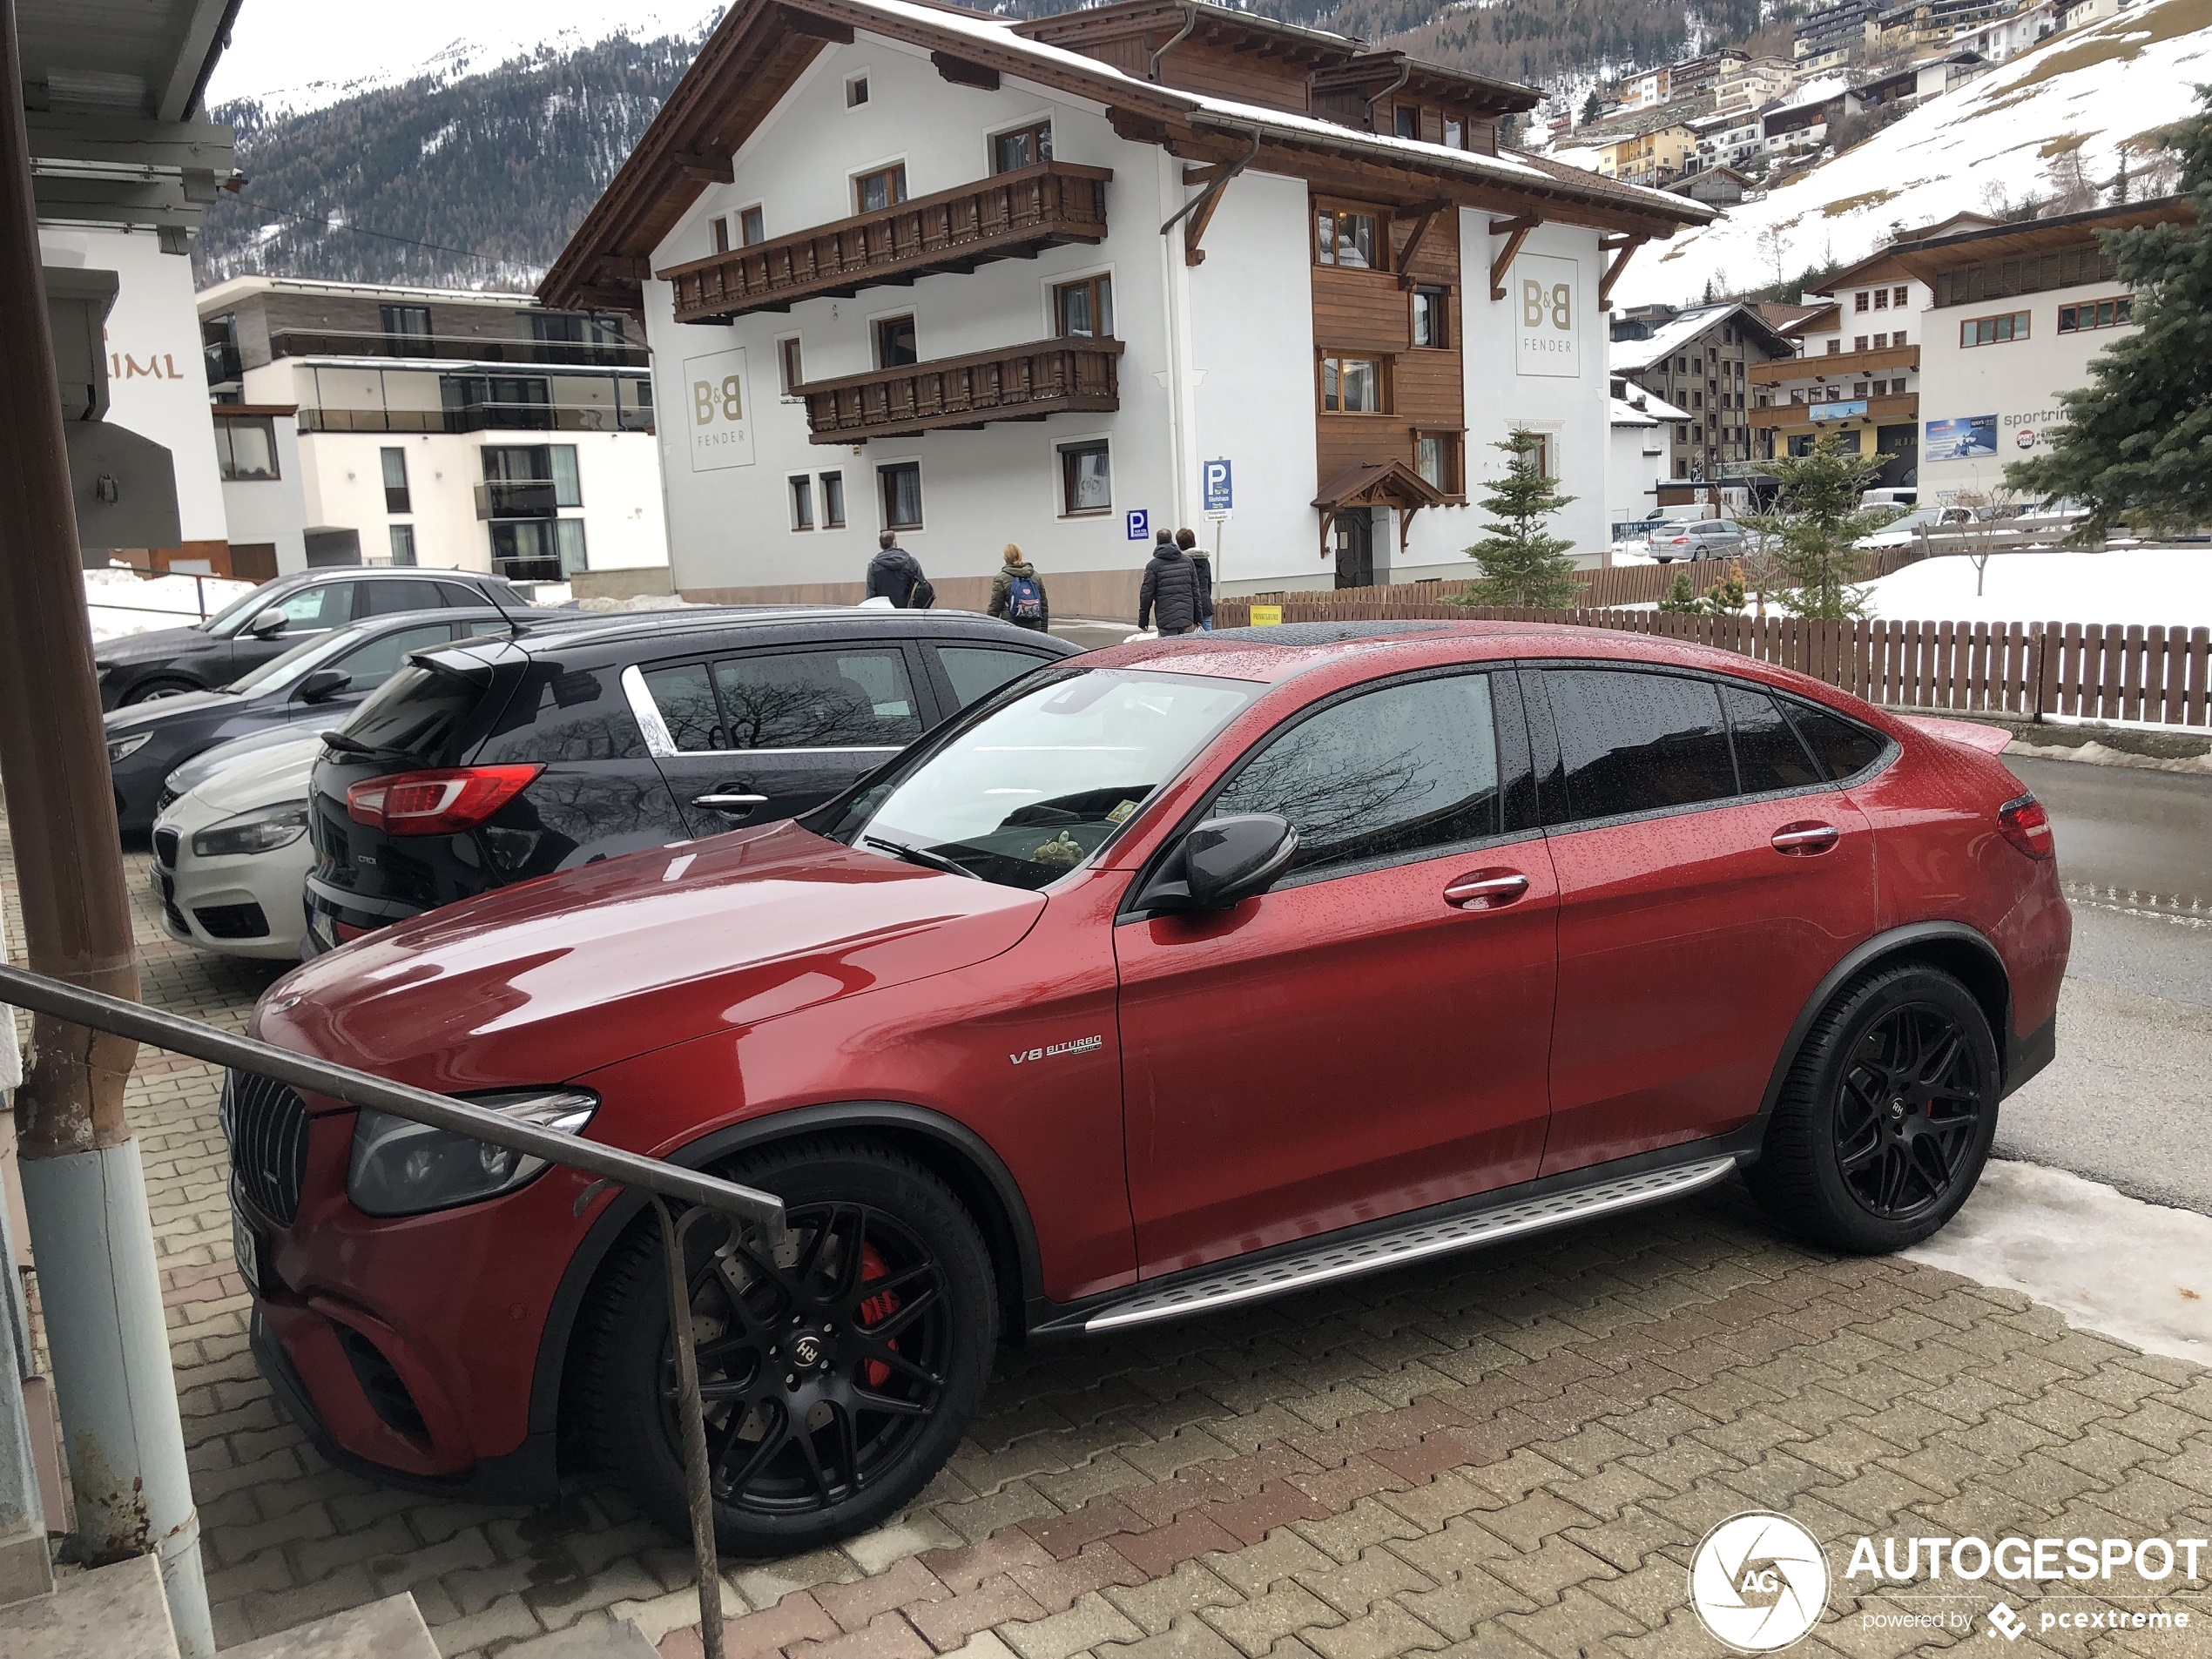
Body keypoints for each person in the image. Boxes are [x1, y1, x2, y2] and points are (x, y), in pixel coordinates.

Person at [1137, 528, 1202, 635]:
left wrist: (1143, 620)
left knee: (1169, 649)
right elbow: (1195, 591)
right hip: (1185, 617)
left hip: (1166, 618)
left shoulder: (1153, 566)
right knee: (1184, 649)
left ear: (1157, 542)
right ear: (1172, 540)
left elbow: (1146, 595)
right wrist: (1198, 617)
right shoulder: (1188, 562)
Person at [988, 543, 1050, 631]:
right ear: (1021, 555)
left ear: (1005, 557)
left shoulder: (1002, 577)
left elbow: (995, 607)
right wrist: (1043, 630)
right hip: (1034, 624)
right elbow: (1043, 605)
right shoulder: (1035, 576)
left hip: (1011, 625)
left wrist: (989, 628)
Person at [866, 531, 928, 608]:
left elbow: (871, 595)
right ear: (895, 542)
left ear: (880, 545)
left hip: (884, 614)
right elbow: (922, 588)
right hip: (908, 613)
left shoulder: (873, 566)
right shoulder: (911, 562)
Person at [1176, 526, 1214, 631]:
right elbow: (1208, 584)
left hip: (1185, 605)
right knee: (1207, 637)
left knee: (1183, 639)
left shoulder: (1180, 562)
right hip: (1204, 602)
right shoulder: (1205, 560)